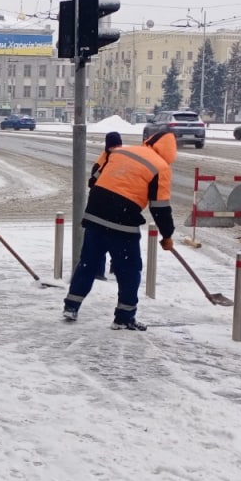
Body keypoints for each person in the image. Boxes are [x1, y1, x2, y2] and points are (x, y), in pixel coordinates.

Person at [63, 128, 177, 330]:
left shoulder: (123, 151)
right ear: (170, 153)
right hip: (122, 221)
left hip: (95, 214)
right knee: (130, 270)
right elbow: (160, 208)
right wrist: (167, 235)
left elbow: (95, 178)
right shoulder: (161, 167)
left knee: (88, 264)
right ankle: (124, 317)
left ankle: (71, 306)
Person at [86, 132, 125, 281]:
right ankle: (99, 271)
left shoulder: (122, 158)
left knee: (117, 238)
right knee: (102, 239)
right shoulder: (102, 162)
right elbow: (92, 182)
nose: (115, 148)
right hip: (103, 205)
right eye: (113, 146)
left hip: (119, 204)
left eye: (118, 145)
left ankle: (116, 267)